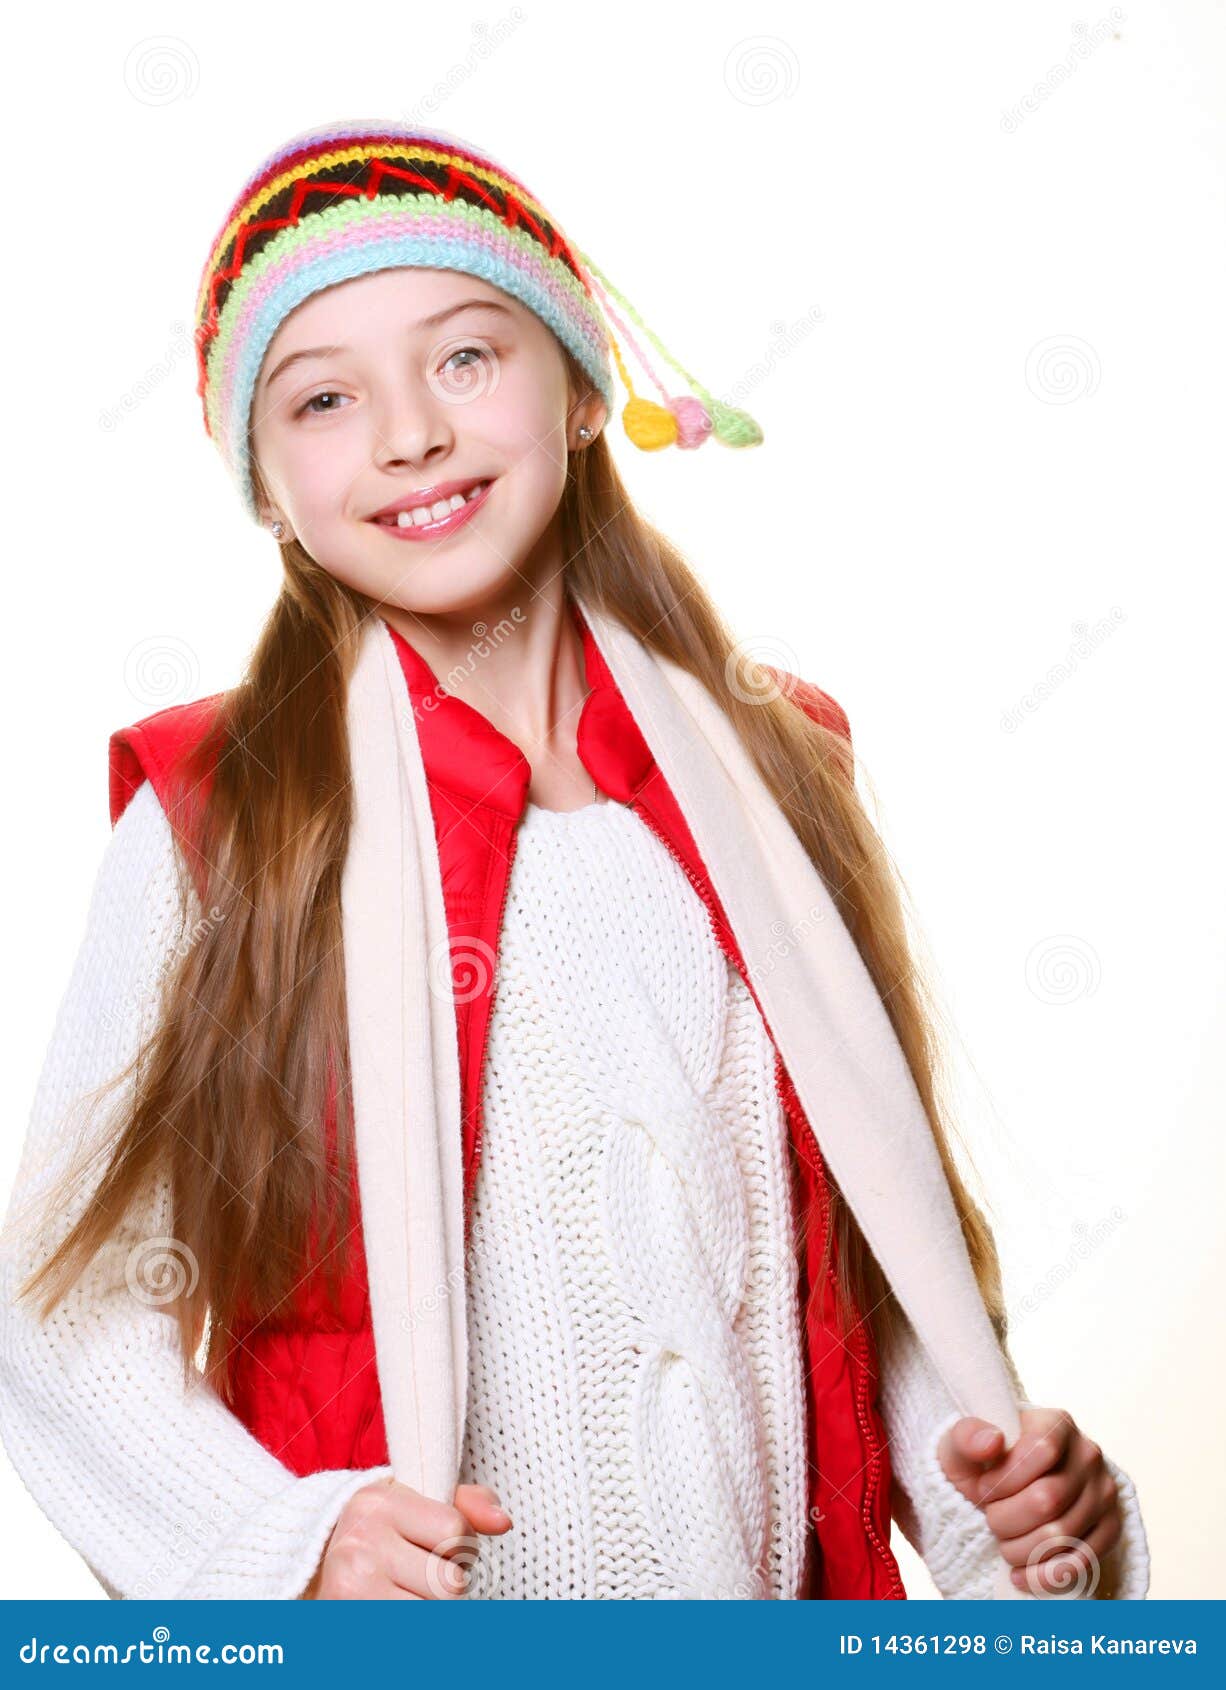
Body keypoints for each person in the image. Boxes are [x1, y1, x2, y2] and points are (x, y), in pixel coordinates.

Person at [0, 120, 1149, 1602]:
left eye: (465, 357)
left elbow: (851, 1259)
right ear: (266, 487)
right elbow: (65, 1301)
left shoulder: (772, 773)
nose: (410, 434)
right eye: (325, 397)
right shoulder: (229, 815)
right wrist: (289, 1548)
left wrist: (1016, 1511)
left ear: (586, 393)